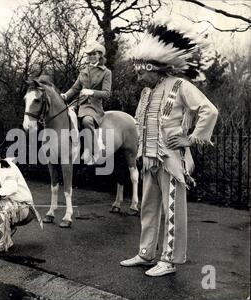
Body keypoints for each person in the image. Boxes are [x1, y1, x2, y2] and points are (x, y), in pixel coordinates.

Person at [120, 20, 218, 276]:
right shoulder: (146, 93)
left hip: (171, 160)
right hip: (149, 160)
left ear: (154, 69)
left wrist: (192, 139)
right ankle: (145, 253)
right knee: (148, 209)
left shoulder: (180, 85)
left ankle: (169, 260)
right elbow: (141, 124)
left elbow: (209, 110)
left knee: (172, 210)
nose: (139, 77)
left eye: (142, 73)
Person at [61, 41, 112, 164]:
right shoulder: (83, 70)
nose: (91, 56)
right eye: (89, 54)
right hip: (79, 103)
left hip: (93, 106)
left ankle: (94, 150)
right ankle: (72, 149)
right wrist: (65, 95)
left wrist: (91, 92)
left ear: (100, 55)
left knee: (86, 120)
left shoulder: (106, 72)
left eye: (93, 54)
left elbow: (106, 93)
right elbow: (75, 88)